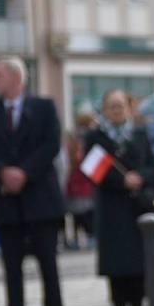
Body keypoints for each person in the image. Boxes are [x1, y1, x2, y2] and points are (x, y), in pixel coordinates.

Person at [0, 55, 70, 306]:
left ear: (17, 78)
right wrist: (4, 171)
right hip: (7, 201)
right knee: (11, 267)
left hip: (40, 199)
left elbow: (51, 144)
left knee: (47, 264)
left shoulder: (42, 108)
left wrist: (24, 173)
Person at [83, 89, 154, 306]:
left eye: (120, 106)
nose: (116, 111)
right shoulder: (95, 137)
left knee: (139, 265)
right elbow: (92, 170)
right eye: (111, 106)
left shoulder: (140, 134)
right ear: (105, 110)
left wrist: (141, 177)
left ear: (129, 108)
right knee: (116, 266)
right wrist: (120, 181)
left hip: (137, 209)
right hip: (111, 210)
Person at [64, 105, 97, 251]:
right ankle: (88, 236)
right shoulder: (81, 138)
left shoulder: (75, 136)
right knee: (83, 211)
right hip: (81, 178)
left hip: (79, 178)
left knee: (80, 211)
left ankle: (80, 237)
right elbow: (77, 158)